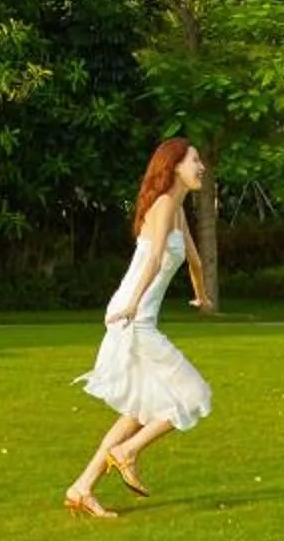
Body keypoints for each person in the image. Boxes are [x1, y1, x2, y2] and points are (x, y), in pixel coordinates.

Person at [64, 137, 214, 517]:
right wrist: (132, 305)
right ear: (175, 165)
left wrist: (202, 296)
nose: (201, 167)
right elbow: (151, 264)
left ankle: (82, 488)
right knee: (195, 396)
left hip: (137, 315)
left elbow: (194, 260)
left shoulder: (177, 210)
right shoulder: (164, 205)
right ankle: (127, 452)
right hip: (134, 319)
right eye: (195, 160)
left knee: (137, 411)